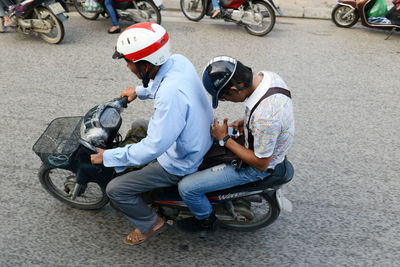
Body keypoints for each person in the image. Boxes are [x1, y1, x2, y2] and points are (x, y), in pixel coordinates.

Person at [90, 22, 214, 245]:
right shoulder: (179, 61)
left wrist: (108, 157)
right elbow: (164, 82)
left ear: (145, 65)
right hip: (199, 133)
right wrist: (139, 91)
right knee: (139, 122)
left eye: (128, 63)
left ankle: (151, 223)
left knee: (116, 190)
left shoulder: (169, 96)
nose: (128, 67)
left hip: (182, 160)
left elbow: (153, 147)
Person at [177, 56, 295, 233]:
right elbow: (268, 116)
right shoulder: (268, 77)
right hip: (259, 139)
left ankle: (206, 221)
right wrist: (246, 122)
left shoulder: (265, 118)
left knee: (187, 188)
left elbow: (261, 163)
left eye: (223, 97)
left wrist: (225, 139)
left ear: (234, 89)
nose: (224, 101)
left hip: (258, 166)